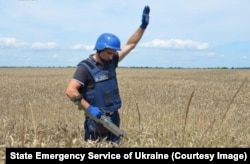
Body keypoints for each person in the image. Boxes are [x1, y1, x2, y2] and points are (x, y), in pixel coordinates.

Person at [65, 5, 150, 145]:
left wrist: (143, 26)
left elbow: (131, 44)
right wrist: (89, 109)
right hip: (96, 119)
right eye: (109, 53)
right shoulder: (85, 68)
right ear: (99, 49)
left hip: (114, 116)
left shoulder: (112, 60)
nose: (112, 56)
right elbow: (70, 91)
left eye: (113, 53)